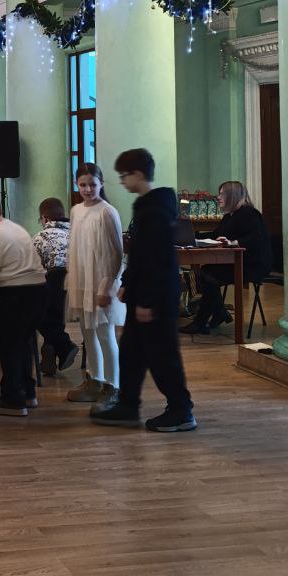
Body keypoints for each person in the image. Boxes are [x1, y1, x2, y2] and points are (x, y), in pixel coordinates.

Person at [92, 149, 197, 433]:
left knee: (162, 356)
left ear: (137, 174)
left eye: (124, 176)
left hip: (156, 297)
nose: (122, 181)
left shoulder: (155, 211)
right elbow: (140, 254)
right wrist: (127, 283)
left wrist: (147, 301)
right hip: (143, 293)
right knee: (132, 352)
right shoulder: (147, 207)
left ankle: (181, 410)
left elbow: (157, 259)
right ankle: (128, 406)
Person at [0, 193, 47, 418]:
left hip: (15, 295)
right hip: (39, 290)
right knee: (24, 345)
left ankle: (13, 399)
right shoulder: (16, 227)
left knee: (9, 347)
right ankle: (28, 394)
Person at [64, 165, 125, 409]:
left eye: (92, 184)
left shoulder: (107, 212)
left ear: (101, 184)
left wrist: (106, 285)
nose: (88, 189)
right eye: (83, 185)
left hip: (101, 281)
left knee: (104, 334)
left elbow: (116, 252)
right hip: (82, 280)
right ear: (76, 184)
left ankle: (113, 386)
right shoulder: (76, 210)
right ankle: (95, 381)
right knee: (87, 332)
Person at [184, 180, 273, 334]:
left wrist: (233, 242)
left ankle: (204, 319)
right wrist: (192, 237)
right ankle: (217, 313)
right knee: (205, 272)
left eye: (222, 194)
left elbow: (255, 238)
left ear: (233, 195)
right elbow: (215, 235)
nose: (218, 197)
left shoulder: (249, 213)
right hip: (238, 262)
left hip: (252, 265)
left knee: (208, 274)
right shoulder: (229, 216)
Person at [32, 198, 78, 378]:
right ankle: (49, 357)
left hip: (51, 289)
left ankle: (64, 345)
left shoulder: (40, 237)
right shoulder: (76, 234)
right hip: (76, 290)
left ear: (44, 218)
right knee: (53, 316)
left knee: (34, 314)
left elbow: (34, 268)